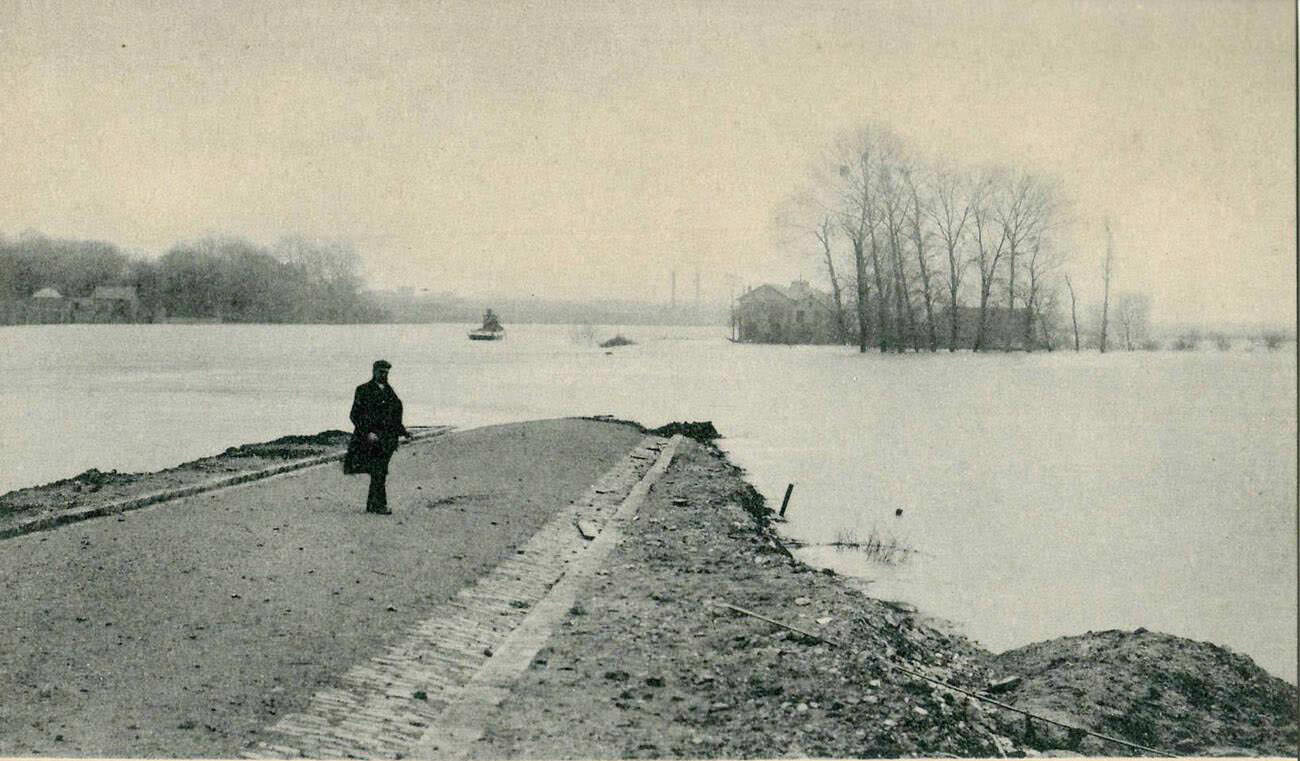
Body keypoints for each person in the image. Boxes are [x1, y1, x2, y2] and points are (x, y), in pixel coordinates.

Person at [349, 359, 412, 514]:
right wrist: (368, 433)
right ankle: (378, 505)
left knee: (380, 471)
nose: (384, 375)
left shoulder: (389, 391)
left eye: (386, 372)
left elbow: (395, 415)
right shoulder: (363, 390)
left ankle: (373, 505)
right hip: (371, 439)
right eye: (381, 372)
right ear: (374, 371)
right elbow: (355, 415)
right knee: (379, 470)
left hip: (387, 439)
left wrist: (404, 432)